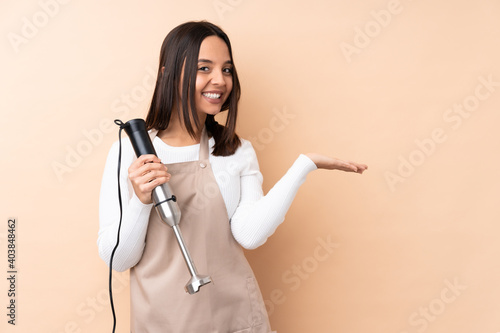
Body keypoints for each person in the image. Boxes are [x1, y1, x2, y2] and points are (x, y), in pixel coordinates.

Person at [98, 21, 367, 333]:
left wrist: (303, 166)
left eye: (226, 69)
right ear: (167, 74)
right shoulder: (129, 154)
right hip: (161, 324)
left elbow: (248, 234)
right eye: (204, 68)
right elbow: (118, 259)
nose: (219, 80)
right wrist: (141, 202)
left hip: (235, 320)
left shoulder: (236, 150)